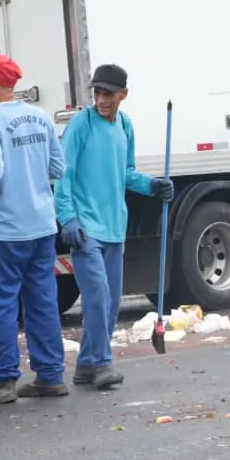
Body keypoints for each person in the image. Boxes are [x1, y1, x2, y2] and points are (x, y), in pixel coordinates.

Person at [52, 63, 175, 391]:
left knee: (111, 302)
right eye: (98, 92)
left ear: (123, 94)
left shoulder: (125, 125)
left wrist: (152, 185)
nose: (102, 99)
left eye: (109, 93)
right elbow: (63, 174)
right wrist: (67, 217)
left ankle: (85, 366)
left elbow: (127, 172)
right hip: (86, 229)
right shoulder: (81, 124)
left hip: (115, 226)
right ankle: (103, 363)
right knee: (98, 298)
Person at [0, 53, 67, 405]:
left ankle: (4, 379)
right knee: (42, 301)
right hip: (42, 226)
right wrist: (30, 177)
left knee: (0, 302)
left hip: (7, 230)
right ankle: (50, 375)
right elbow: (58, 168)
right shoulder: (40, 116)